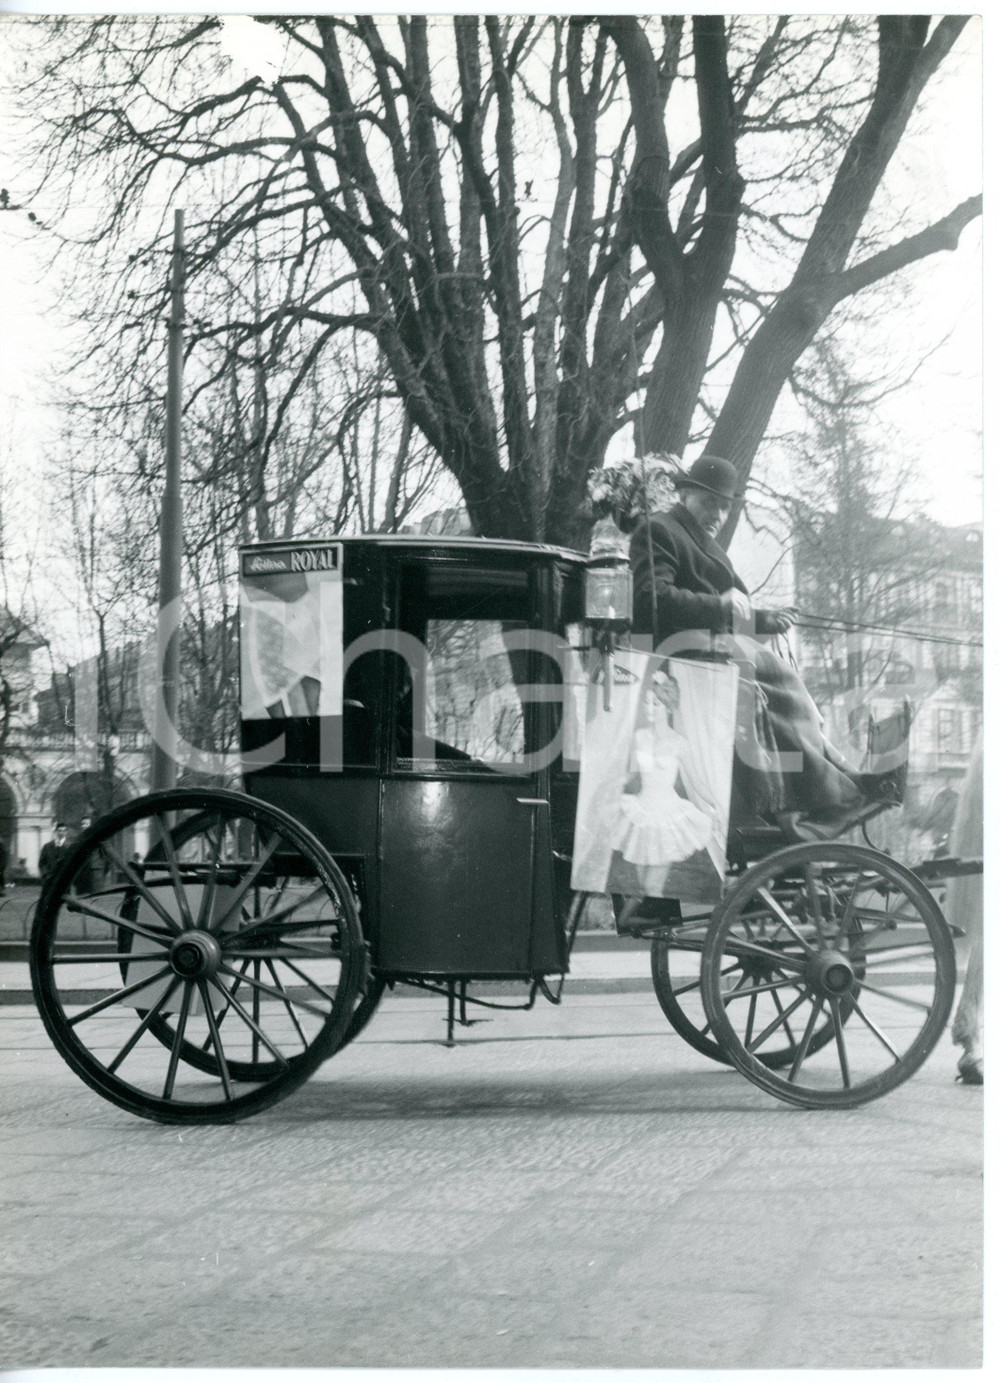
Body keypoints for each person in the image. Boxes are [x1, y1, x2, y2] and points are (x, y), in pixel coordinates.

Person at [627, 453, 869, 836]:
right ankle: (819, 795)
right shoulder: (658, 531)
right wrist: (723, 608)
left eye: (724, 508)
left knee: (782, 682)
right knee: (778, 680)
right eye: (710, 503)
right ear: (685, 494)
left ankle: (834, 779)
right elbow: (651, 599)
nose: (718, 516)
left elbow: (728, 605)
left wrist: (765, 619)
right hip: (682, 661)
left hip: (711, 653)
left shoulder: (699, 540)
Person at [607, 668, 717, 900]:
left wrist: (716, 806)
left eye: (655, 703)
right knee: (641, 888)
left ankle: (660, 929)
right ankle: (661, 930)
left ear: (667, 706)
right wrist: (610, 787)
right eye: (646, 702)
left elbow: (696, 781)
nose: (649, 708)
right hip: (641, 816)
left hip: (668, 818)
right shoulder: (639, 737)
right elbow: (629, 775)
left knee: (652, 887)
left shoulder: (679, 743)